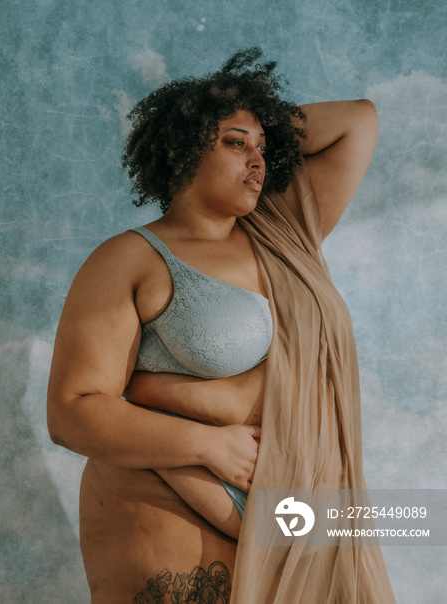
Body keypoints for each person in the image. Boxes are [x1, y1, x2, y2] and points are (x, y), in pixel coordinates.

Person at [47, 48, 396, 603]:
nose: (258, 161)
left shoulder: (285, 235)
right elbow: (71, 410)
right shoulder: (130, 259)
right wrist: (208, 443)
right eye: (236, 143)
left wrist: (256, 126)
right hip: (173, 501)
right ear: (185, 150)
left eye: (264, 149)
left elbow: (358, 122)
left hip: (294, 514)